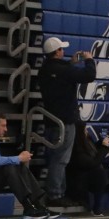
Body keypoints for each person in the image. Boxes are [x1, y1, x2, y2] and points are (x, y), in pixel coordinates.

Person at [38, 36, 96, 206]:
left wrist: (70, 64)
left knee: (56, 157)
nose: (63, 51)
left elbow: (60, 75)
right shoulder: (63, 71)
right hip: (65, 121)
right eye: (61, 49)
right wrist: (89, 60)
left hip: (51, 120)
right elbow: (89, 75)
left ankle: (58, 192)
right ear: (57, 52)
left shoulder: (44, 70)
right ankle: (55, 194)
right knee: (61, 158)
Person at [67, 122, 109, 216]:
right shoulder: (77, 150)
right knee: (100, 173)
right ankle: (97, 209)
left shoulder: (87, 142)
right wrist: (103, 148)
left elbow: (93, 151)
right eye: (85, 130)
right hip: (80, 180)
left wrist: (100, 144)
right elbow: (92, 163)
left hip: (91, 175)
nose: (87, 131)